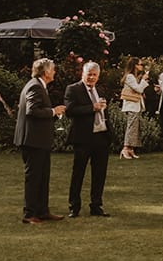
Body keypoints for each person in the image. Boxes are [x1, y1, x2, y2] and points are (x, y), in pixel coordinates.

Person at [15, 58, 66, 224]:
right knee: (34, 178)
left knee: (43, 177)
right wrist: (53, 111)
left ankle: (42, 211)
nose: (55, 72)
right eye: (53, 69)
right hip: (33, 140)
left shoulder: (38, 85)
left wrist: (54, 113)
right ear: (46, 72)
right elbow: (32, 111)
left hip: (39, 140)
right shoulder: (35, 86)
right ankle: (29, 214)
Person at [64, 61, 112, 218]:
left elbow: (103, 111)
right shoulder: (73, 89)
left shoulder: (101, 89)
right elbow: (70, 110)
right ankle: (74, 206)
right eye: (89, 74)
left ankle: (96, 205)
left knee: (99, 174)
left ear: (98, 76)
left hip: (101, 136)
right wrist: (92, 108)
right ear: (82, 74)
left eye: (94, 75)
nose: (91, 77)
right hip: (83, 138)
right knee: (78, 173)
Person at [119, 57, 148, 160]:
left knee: (135, 128)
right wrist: (143, 80)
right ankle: (125, 148)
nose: (141, 66)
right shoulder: (130, 77)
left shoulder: (134, 77)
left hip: (136, 106)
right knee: (131, 127)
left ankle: (131, 149)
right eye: (140, 64)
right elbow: (138, 89)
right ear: (135, 65)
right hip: (132, 106)